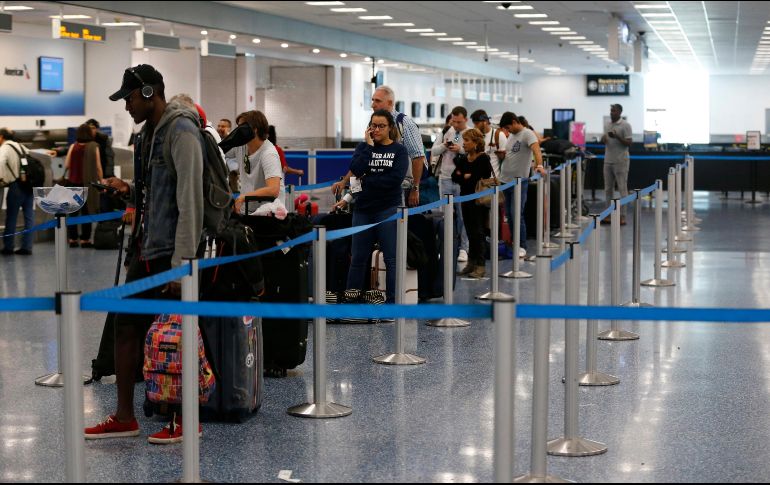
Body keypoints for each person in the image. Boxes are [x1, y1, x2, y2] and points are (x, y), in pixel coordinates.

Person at [84, 64, 204, 445]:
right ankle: (124, 416)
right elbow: (157, 190)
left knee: (175, 335)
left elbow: (190, 200)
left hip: (171, 254)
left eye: (131, 98)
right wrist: (128, 189)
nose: (127, 106)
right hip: (146, 247)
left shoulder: (182, 131)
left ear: (150, 93)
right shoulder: (149, 134)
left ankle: (187, 419)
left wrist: (181, 266)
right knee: (126, 326)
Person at [335, 109, 408, 303]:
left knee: (391, 259)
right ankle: (352, 300)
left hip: (388, 209)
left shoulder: (399, 151)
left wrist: (367, 180)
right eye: (373, 126)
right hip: (363, 209)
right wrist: (368, 147)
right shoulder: (363, 148)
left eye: (381, 126)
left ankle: (392, 303)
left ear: (390, 128)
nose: (376, 129)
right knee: (358, 258)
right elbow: (356, 172)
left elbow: (393, 180)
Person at [332, 85, 427, 208]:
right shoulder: (367, 138)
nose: (372, 105)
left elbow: (418, 157)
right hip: (368, 198)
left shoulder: (405, 124)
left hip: (399, 190)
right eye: (372, 100)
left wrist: (415, 188)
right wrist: (346, 190)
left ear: (390, 103)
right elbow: (360, 166)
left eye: (377, 101)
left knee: (398, 223)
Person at [498, 112, 546, 257]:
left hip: (519, 182)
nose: (507, 131)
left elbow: (536, 150)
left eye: (508, 127)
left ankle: (522, 245)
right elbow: (511, 154)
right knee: (510, 216)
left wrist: (540, 165)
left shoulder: (527, 134)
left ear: (514, 122)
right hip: (505, 181)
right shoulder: (512, 136)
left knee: (517, 214)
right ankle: (514, 242)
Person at [430, 106, 471, 262]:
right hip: (445, 178)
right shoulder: (447, 131)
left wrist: (460, 149)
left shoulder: (470, 133)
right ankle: (445, 247)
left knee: (463, 216)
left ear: (465, 120)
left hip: (462, 181)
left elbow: (477, 154)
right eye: (453, 121)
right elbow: (434, 151)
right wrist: (444, 146)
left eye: (459, 122)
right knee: (444, 215)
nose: (456, 124)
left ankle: (464, 248)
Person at [452, 129, 493, 279]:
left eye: (467, 140)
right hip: (465, 199)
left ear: (476, 143)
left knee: (478, 233)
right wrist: (465, 176)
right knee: (469, 232)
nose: (464, 143)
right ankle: (471, 263)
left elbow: (482, 177)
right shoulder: (464, 158)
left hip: (478, 201)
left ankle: (480, 266)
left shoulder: (483, 159)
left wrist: (464, 176)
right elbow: (454, 176)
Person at [232, 110, 285, 214]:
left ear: (254, 130)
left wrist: (244, 197)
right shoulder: (240, 146)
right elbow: (218, 150)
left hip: (269, 212)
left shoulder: (269, 153)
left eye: (241, 127)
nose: (238, 131)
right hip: (247, 209)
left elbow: (274, 190)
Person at [64, 123, 103, 248]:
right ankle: (85, 240)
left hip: (73, 183)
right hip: (88, 184)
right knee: (87, 212)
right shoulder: (94, 146)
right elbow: (98, 167)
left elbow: (67, 165)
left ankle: (73, 239)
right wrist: (101, 181)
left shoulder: (73, 146)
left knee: (73, 213)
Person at [0, 128, 34, 256]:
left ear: (1, 137)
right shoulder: (21, 147)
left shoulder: (5, 148)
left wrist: (1, 178)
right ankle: (27, 246)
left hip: (16, 186)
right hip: (28, 185)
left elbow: (0, 162)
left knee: (12, 217)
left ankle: (8, 247)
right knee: (29, 216)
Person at [602, 103, 632, 225]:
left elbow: (629, 143)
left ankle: (623, 216)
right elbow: (605, 140)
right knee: (608, 189)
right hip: (608, 160)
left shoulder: (625, 125)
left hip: (621, 162)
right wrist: (603, 139)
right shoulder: (607, 125)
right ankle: (608, 215)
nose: (611, 113)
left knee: (622, 189)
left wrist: (617, 136)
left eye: (614, 111)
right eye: (611, 110)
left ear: (620, 112)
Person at [470, 109, 506, 178]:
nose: (475, 126)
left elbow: (505, 159)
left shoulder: (498, 135)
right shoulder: (474, 136)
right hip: (476, 179)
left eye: (477, 124)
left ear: (485, 121)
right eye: (474, 124)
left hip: (492, 179)